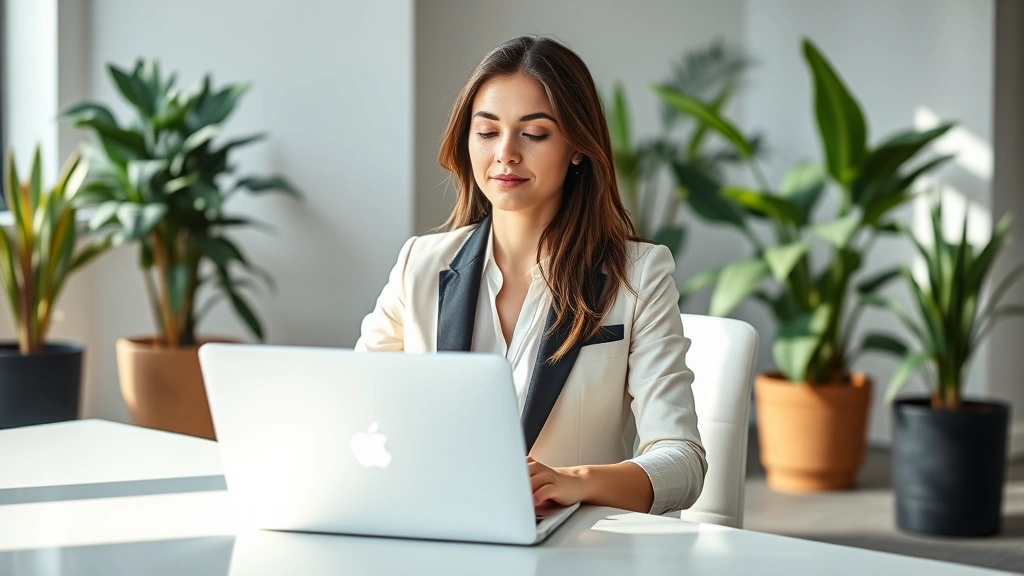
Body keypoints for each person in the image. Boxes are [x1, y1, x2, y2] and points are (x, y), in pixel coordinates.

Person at [356, 35, 706, 515]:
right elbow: (353, 411)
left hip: (568, 546)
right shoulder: (420, 264)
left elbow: (683, 462)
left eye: (534, 134)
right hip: (434, 526)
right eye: (487, 131)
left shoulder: (639, 275)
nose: (506, 153)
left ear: (577, 148)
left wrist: (573, 482)